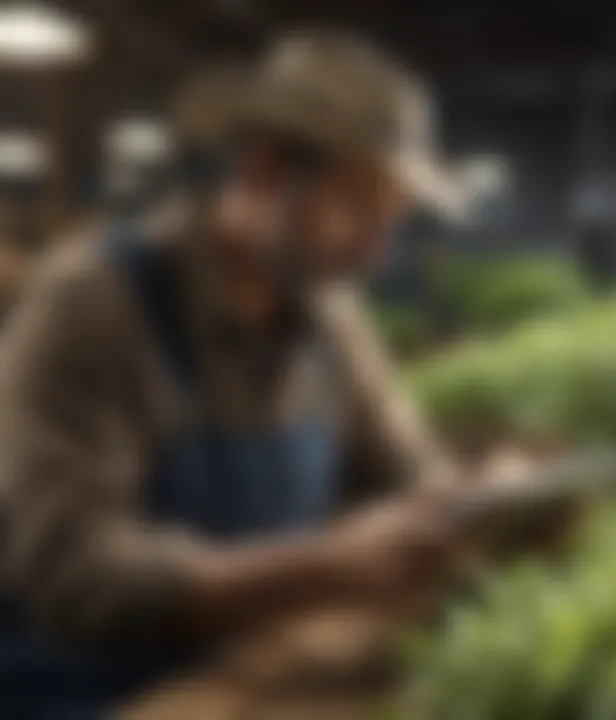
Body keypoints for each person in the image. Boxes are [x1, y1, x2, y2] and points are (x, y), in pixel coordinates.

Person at [0, 30, 473, 718]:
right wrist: (322, 568)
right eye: (355, 204)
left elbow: (409, 472)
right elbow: (74, 575)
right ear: (262, 173)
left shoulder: (328, 316)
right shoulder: (93, 306)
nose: (374, 250)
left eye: (390, 216)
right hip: (77, 697)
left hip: (230, 687)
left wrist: (482, 506)